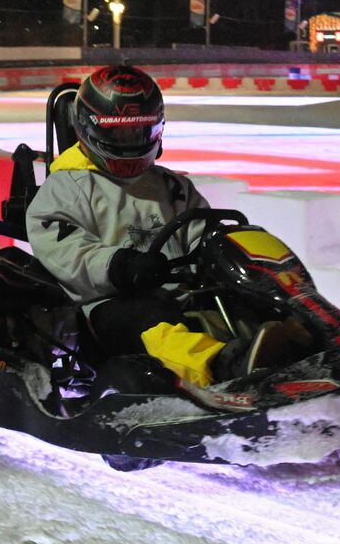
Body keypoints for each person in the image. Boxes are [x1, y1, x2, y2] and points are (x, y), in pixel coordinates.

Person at [25, 64, 301, 387]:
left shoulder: (172, 186)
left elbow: (202, 231)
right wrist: (119, 266)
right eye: (120, 132)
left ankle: (306, 334)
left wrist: (224, 254)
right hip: (106, 306)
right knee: (149, 320)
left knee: (242, 295)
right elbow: (65, 252)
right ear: (91, 129)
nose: (130, 141)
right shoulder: (66, 188)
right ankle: (224, 366)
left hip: (180, 295)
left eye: (139, 131)